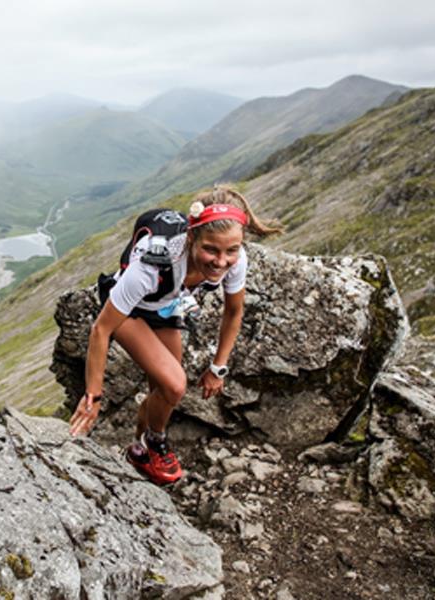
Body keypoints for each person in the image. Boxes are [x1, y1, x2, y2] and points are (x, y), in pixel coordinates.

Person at [69, 185, 282, 485]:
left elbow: (234, 312)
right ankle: (156, 442)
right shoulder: (153, 262)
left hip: (166, 306)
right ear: (191, 236)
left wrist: (218, 368)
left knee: (164, 392)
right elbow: (101, 329)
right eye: (211, 250)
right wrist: (94, 395)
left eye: (231, 250)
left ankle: (139, 451)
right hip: (128, 310)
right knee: (176, 384)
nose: (221, 261)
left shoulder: (236, 258)